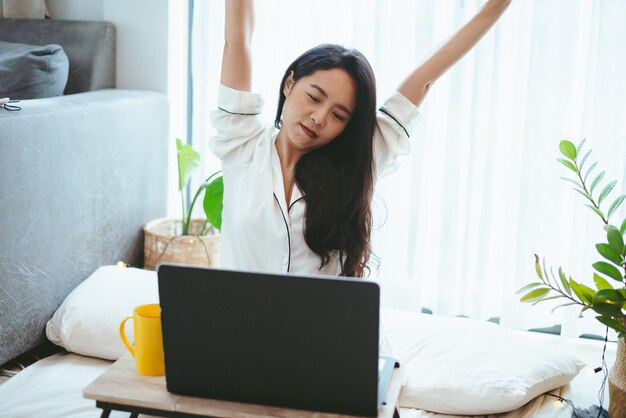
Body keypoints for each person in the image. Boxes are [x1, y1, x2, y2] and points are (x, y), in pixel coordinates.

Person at [210, 0, 512, 278]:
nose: (319, 118)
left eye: (339, 116)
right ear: (290, 83)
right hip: (241, 328)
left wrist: (496, 6)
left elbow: (426, 77)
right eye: (314, 97)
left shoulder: (359, 159)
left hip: (323, 332)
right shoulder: (242, 141)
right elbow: (237, 39)